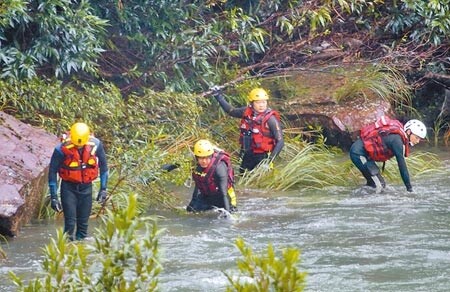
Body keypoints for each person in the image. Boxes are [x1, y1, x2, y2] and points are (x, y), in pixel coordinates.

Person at [48, 122, 109, 241]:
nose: (78, 147)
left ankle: (81, 253)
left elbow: (104, 168)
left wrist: (103, 189)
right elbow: (52, 172)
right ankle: (66, 252)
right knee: (70, 224)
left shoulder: (96, 145)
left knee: (83, 225)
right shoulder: (61, 149)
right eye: (76, 145)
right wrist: (54, 197)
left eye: (81, 145)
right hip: (68, 188)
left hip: (86, 188)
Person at [212, 87, 284, 172]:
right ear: (252, 103)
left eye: (264, 102)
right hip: (248, 154)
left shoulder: (271, 119)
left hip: (263, 156)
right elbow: (231, 111)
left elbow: (280, 141)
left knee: (259, 180)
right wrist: (218, 96)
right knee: (243, 175)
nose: (261, 105)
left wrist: (269, 161)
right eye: (258, 102)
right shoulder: (246, 112)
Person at [349, 116, 427, 192]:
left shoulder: (398, 136)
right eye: (417, 137)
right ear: (409, 132)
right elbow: (402, 167)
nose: (418, 141)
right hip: (358, 154)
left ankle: (362, 195)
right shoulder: (397, 141)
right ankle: (360, 198)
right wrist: (409, 189)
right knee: (379, 186)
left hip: (365, 155)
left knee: (377, 184)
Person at [187, 139, 237, 213]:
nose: (204, 161)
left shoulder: (219, 168)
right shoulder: (194, 163)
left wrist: (228, 214)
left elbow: (224, 193)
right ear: (196, 157)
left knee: (228, 214)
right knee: (191, 211)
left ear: (211, 156)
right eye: (201, 158)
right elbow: (177, 164)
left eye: (207, 157)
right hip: (207, 195)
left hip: (225, 196)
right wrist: (164, 171)